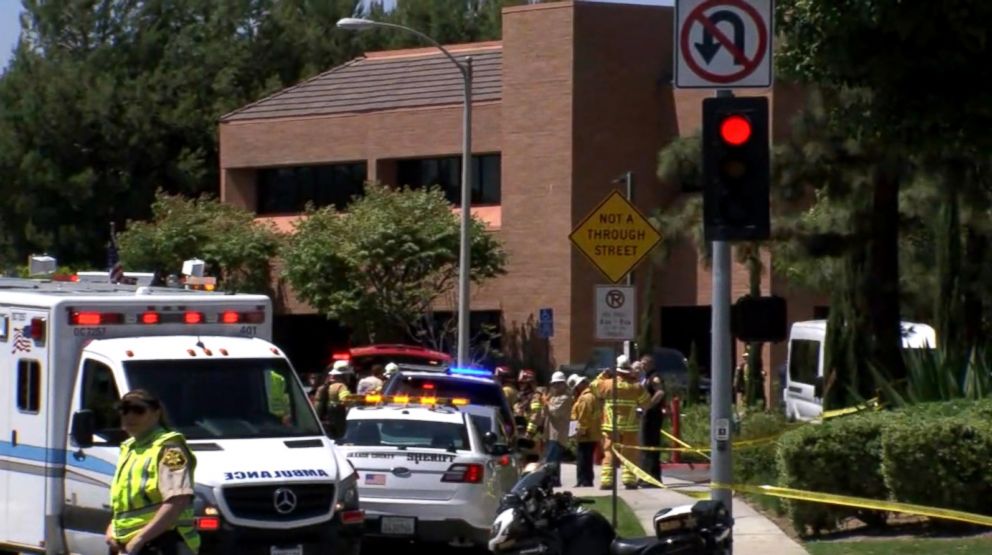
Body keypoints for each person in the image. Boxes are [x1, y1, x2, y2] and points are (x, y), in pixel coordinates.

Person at [106, 389, 199, 555]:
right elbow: (126, 502)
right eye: (124, 410)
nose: (130, 416)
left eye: (138, 410)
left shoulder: (169, 447)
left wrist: (139, 540)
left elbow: (178, 499)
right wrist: (112, 529)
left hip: (163, 541)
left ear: (156, 413)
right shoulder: (129, 448)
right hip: (130, 544)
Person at [597, 354, 650, 490]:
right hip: (629, 426)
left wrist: (603, 375)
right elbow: (646, 402)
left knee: (609, 452)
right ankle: (628, 480)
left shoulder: (607, 384)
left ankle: (607, 481)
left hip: (610, 425)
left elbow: (593, 388)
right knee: (629, 453)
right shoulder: (636, 386)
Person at [538, 371, 573, 487]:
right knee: (551, 460)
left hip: (557, 434)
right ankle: (553, 481)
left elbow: (555, 412)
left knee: (551, 460)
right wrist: (544, 401)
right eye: (554, 384)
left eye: (559, 383)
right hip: (549, 433)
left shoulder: (566, 397)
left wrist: (546, 401)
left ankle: (552, 481)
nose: (556, 386)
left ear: (564, 384)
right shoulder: (553, 397)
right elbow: (545, 413)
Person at [638, 354, 666, 487]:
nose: (642, 366)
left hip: (652, 416)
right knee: (644, 447)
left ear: (650, 364)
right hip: (647, 415)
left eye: (644, 363)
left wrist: (648, 405)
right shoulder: (646, 377)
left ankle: (653, 478)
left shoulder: (654, 377)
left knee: (650, 447)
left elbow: (660, 392)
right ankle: (645, 476)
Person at [569, 374, 600, 487]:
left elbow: (583, 417)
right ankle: (586, 480)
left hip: (585, 434)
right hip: (590, 433)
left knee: (583, 458)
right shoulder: (589, 396)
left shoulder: (585, 398)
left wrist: (580, 431)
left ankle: (583, 481)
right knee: (586, 458)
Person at [315, 363, 352, 437]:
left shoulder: (326, 387)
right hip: (338, 421)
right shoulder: (341, 386)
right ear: (344, 375)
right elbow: (345, 400)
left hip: (325, 420)